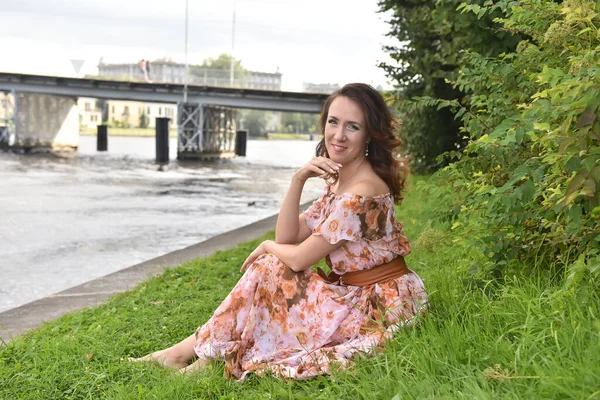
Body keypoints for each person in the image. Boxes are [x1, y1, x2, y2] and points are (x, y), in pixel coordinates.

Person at [129, 83, 428, 380]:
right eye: (333, 122)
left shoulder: (361, 192)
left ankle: (190, 356)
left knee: (272, 265)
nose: (338, 135)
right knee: (271, 268)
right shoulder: (340, 182)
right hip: (355, 291)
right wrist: (298, 179)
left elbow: (296, 258)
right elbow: (288, 236)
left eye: (352, 127)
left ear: (368, 136)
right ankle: (196, 355)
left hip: (377, 303)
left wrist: (266, 246)